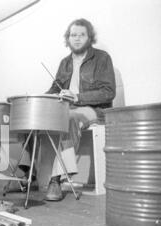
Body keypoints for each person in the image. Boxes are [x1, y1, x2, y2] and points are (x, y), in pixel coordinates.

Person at [44, 18, 116, 201]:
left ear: (89, 37)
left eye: (81, 35)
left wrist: (78, 97)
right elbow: (55, 88)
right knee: (34, 117)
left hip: (94, 109)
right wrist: (41, 99)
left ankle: (56, 179)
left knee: (69, 118)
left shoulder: (102, 58)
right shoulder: (65, 63)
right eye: (73, 35)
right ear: (67, 38)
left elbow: (108, 92)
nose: (76, 39)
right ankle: (26, 173)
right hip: (69, 107)